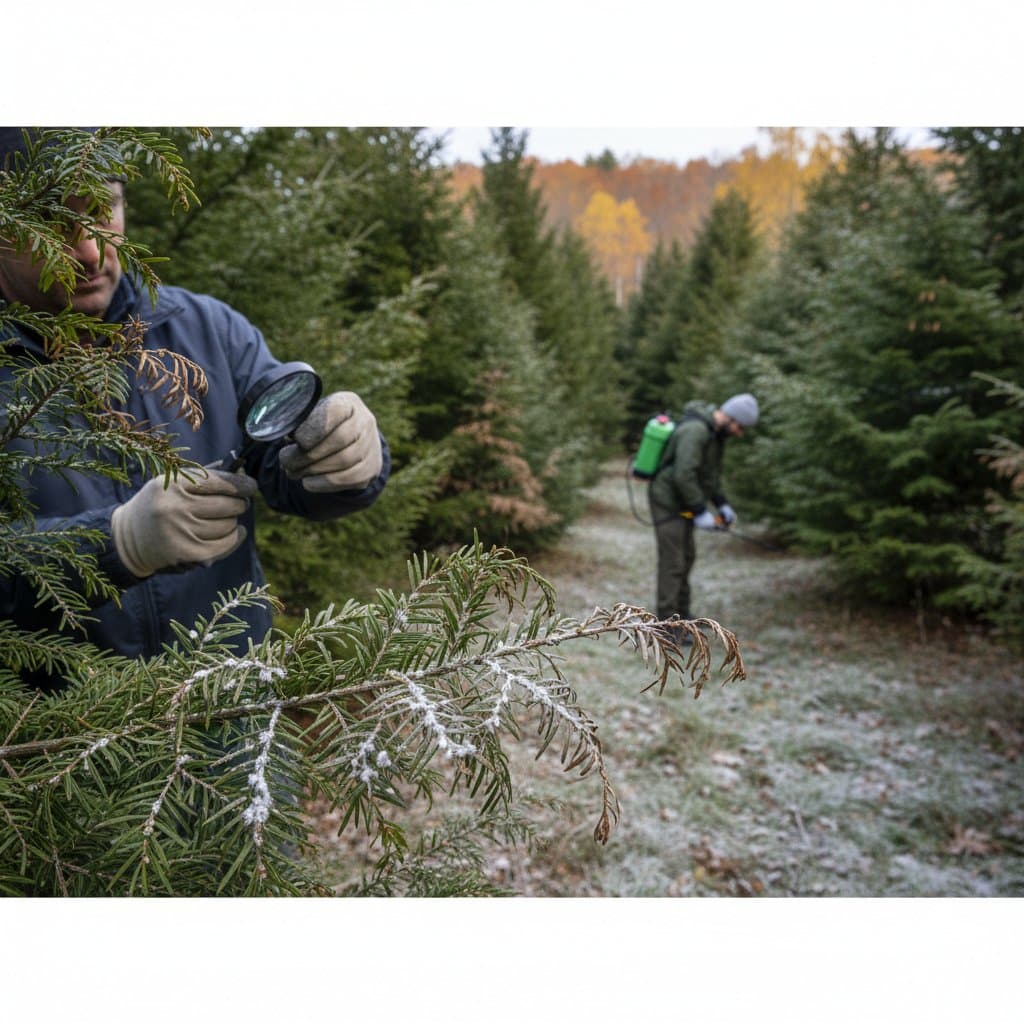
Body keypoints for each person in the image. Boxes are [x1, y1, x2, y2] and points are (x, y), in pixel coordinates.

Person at [0, 129, 390, 692]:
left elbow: (283, 462)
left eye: (103, 207)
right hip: (53, 750)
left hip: (230, 724)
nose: (88, 250)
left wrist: (347, 458)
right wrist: (116, 544)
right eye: (52, 221)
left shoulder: (206, 328)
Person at [647, 393, 759, 641]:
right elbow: (683, 474)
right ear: (730, 417)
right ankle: (667, 627)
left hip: (684, 502)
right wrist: (699, 511)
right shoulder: (695, 431)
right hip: (667, 501)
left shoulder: (715, 436)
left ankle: (683, 617)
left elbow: (710, 477)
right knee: (673, 562)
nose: (739, 433)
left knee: (687, 557)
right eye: (739, 426)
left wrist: (722, 504)